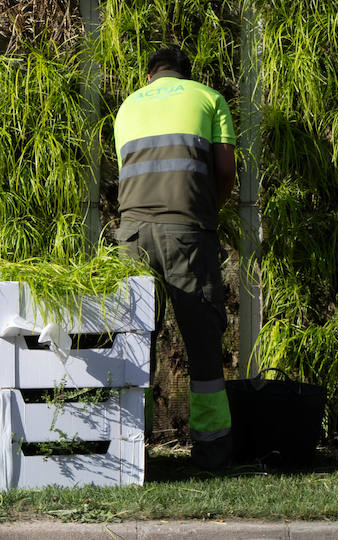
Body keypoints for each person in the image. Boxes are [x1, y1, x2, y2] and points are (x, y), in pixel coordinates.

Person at [108, 46, 237, 469]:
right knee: (202, 340)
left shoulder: (127, 107)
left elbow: (126, 172)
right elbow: (224, 170)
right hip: (187, 231)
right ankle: (212, 451)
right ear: (185, 75)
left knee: (131, 340)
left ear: (150, 77)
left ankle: (130, 451)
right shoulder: (208, 98)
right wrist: (208, 212)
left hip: (130, 234)